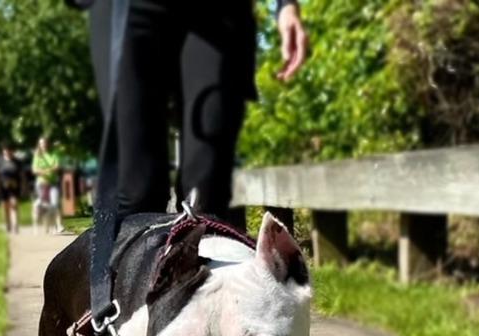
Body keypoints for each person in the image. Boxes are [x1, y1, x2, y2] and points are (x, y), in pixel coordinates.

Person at [79, 0, 308, 223]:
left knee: (207, 192)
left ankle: (199, 256)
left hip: (219, 13)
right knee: (136, 192)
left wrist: (285, 5)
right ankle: (131, 257)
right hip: (129, 8)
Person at [31, 136, 65, 232]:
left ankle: (59, 225)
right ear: (40, 145)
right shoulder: (37, 156)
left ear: (48, 144)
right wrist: (44, 172)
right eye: (42, 144)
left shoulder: (54, 154)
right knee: (44, 205)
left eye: (45, 143)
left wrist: (46, 170)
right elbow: (34, 170)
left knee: (55, 204)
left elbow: (57, 166)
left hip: (53, 183)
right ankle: (42, 225)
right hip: (41, 184)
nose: (44, 145)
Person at [0, 141, 21, 233]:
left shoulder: (17, 162)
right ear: (3, 151)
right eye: (5, 150)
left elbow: (22, 175)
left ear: (12, 151)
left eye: (9, 150)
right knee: (5, 207)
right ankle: (7, 224)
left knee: (14, 205)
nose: (7, 152)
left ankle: (15, 225)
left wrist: (24, 186)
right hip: (2, 187)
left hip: (14, 186)